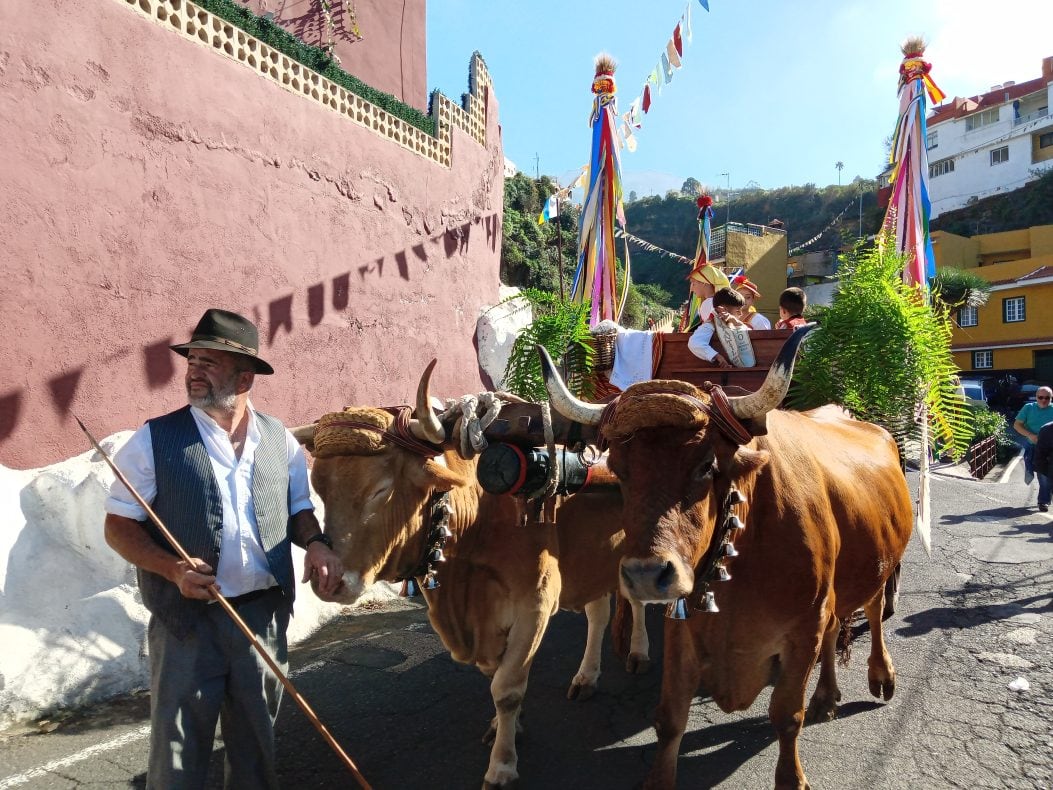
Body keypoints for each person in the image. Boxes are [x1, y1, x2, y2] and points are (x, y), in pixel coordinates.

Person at [104, 308, 345, 789]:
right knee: (178, 754)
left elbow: (298, 510)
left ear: (244, 376)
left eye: (207, 363)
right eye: (191, 361)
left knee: (256, 746)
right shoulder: (156, 438)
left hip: (263, 618)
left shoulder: (281, 440)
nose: (193, 371)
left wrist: (316, 543)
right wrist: (171, 569)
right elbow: (118, 526)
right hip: (186, 621)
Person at [688, 286, 747, 368]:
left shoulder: (733, 323)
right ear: (724, 310)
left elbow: (749, 334)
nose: (741, 314)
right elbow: (695, 343)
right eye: (738, 310)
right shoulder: (709, 326)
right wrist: (718, 356)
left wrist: (735, 321)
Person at [1013, 385, 1053, 495]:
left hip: (1048, 448)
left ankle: (1043, 501)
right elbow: (1017, 425)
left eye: (1047, 398)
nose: (1044, 400)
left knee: (1044, 474)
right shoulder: (1028, 407)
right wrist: (1030, 435)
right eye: (1041, 397)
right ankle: (1029, 468)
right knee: (1031, 469)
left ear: (1051, 398)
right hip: (1032, 445)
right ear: (1036, 397)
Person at [1033, 418, 1053, 512]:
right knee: (1045, 483)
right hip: (1045, 462)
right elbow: (1040, 451)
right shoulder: (1046, 429)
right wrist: (1042, 466)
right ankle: (1043, 501)